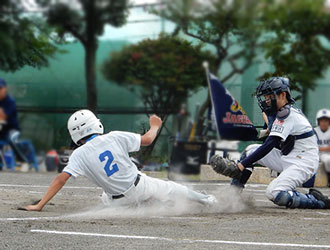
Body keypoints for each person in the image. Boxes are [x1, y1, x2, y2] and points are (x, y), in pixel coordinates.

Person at [24, 110, 217, 211]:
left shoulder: (78, 155)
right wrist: (155, 125)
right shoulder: (114, 136)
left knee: (105, 194)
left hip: (117, 202)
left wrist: (40, 205)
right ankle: (207, 200)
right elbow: (148, 139)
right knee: (172, 188)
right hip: (140, 187)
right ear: (95, 124)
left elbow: (60, 179)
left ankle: (147, 204)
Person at [211, 77, 330, 209]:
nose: (267, 101)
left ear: (283, 95)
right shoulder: (282, 112)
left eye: (270, 97)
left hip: (303, 163)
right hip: (289, 158)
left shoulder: (288, 115)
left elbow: (270, 144)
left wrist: (240, 166)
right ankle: (232, 196)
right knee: (250, 150)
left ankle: (317, 201)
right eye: (266, 97)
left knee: (274, 193)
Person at [0, 78, 29, 171]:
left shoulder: (10, 101)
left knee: (11, 139)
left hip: (12, 129)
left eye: (1, 88)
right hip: (2, 130)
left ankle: (23, 161)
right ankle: (1, 164)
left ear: (5, 88)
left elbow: (4, 117)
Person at [314, 108, 330, 187]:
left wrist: (319, 148)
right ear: (318, 121)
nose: (324, 123)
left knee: (327, 159)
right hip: (315, 154)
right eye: (322, 120)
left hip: (326, 154)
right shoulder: (314, 131)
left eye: (326, 120)